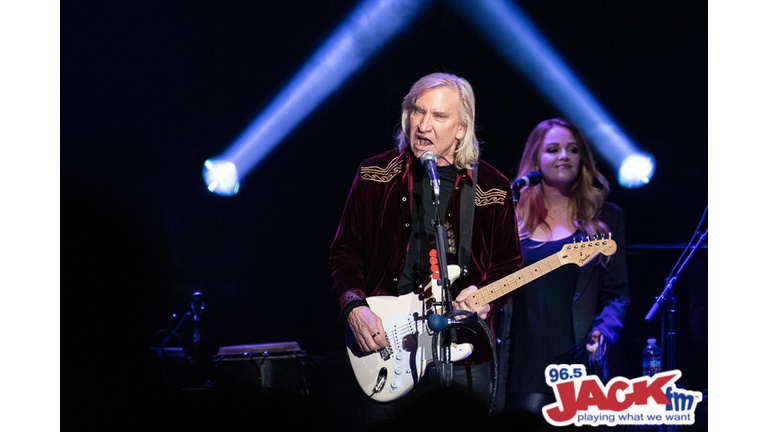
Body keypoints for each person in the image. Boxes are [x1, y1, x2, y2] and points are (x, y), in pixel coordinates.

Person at [329, 72, 523, 426]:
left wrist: (485, 295)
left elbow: (509, 264)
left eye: (439, 116)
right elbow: (345, 252)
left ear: (461, 128)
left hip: (464, 351)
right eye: (417, 112)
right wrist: (355, 307)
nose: (423, 125)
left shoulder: (493, 188)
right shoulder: (375, 175)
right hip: (387, 347)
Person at [496, 118, 630, 429]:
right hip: (522, 368)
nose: (563, 156)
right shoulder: (510, 220)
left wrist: (605, 330)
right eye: (553, 149)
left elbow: (618, 293)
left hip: (577, 366)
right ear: (536, 159)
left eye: (572, 149)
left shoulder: (607, 218)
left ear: (582, 158)